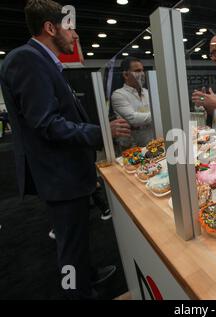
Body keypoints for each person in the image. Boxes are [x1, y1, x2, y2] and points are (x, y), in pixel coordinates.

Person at [0, 0, 131, 299]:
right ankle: (77, 292)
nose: (75, 36)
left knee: (79, 238)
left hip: (68, 172)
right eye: (70, 28)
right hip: (59, 176)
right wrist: (101, 133)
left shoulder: (41, 61)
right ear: (50, 27)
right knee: (70, 246)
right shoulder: (27, 60)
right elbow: (47, 124)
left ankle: (87, 276)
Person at [111, 57, 153, 153]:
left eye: (142, 70)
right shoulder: (118, 95)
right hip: (131, 147)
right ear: (126, 75)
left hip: (150, 143)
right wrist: (157, 115)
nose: (142, 74)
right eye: (137, 71)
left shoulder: (147, 92)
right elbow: (134, 119)